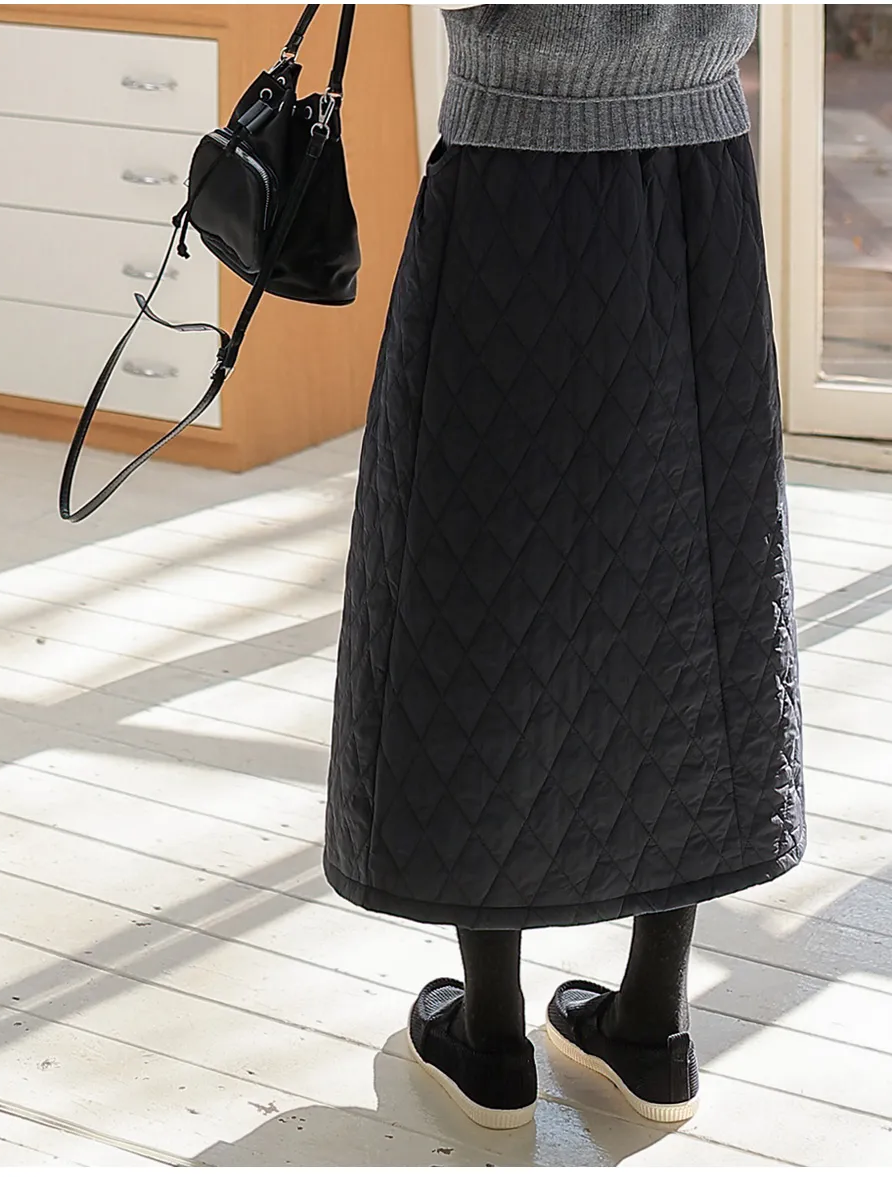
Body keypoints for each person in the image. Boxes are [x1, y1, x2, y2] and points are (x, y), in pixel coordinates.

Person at [324, 2, 805, 1130]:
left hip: (511, 173)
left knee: (473, 584)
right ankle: (650, 1026)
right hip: (698, 172)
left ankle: (491, 1035)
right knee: (693, 579)